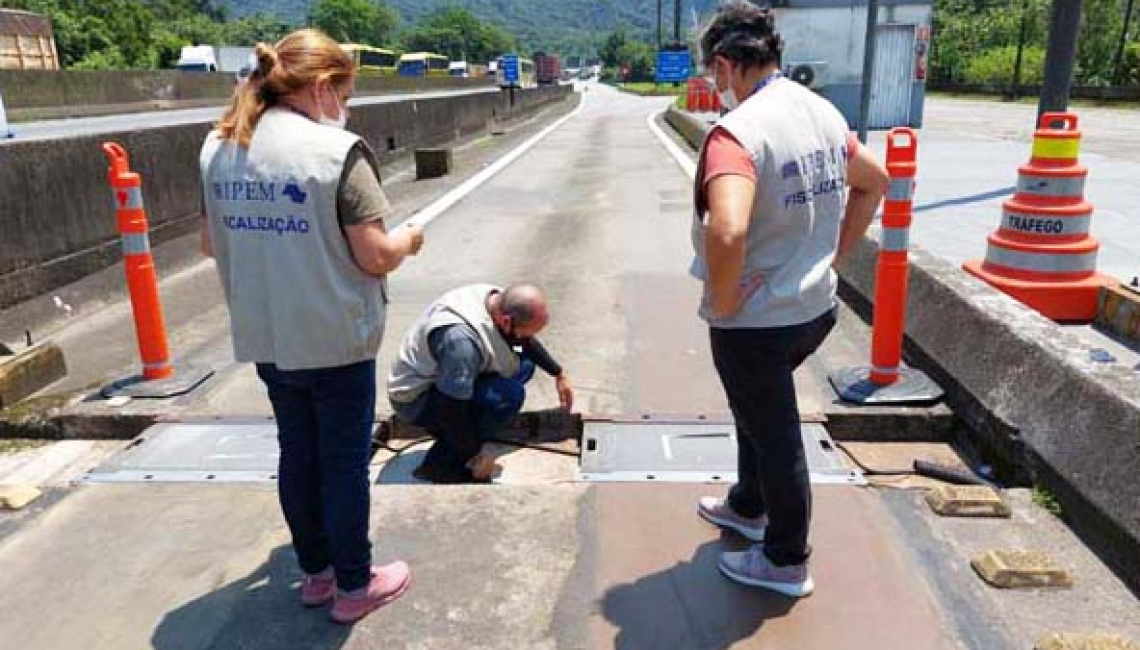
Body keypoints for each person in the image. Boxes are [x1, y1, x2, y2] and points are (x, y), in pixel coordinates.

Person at [198, 29, 425, 624]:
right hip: (333, 337)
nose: (345, 104)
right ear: (322, 87)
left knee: (298, 453)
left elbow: (208, 241)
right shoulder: (335, 153)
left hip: (267, 334)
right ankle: (356, 583)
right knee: (345, 462)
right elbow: (374, 254)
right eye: (344, 90)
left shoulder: (220, 146)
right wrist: (409, 240)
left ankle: (317, 574)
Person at [689, 3, 889, 598]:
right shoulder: (820, 110)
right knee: (758, 412)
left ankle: (785, 558)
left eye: (712, 77)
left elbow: (727, 230)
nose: (713, 88)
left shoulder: (738, 135)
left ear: (726, 66)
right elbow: (875, 180)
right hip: (813, 310)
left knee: (776, 434)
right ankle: (747, 505)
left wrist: (724, 303)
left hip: (756, 320)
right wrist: (834, 256)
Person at [388, 284, 574, 483]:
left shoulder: (496, 299)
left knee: (525, 362)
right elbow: (450, 410)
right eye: (525, 333)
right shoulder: (461, 343)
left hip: (451, 374)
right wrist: (475, 454)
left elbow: (523, 344)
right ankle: (439, 465)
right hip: (417, 398)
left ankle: (465, 432)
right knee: (509, 396)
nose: (527, 339)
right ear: (505, 321)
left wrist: (558, 373)